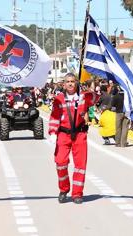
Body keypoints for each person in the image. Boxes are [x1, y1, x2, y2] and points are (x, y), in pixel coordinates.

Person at [48, 73, 99, 204]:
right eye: (67, 81)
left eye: (72, 81)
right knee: (60, 163)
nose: (70, 84)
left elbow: (96, 98)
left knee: (80, 165)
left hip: (80, 135)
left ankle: (77, 193)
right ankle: (64, 189)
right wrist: (53, 132)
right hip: (63, 135)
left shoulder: (83, 96)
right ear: (63, 84)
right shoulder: (59, 99)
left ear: (76, 83)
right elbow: (54, 116)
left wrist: (91, 87)